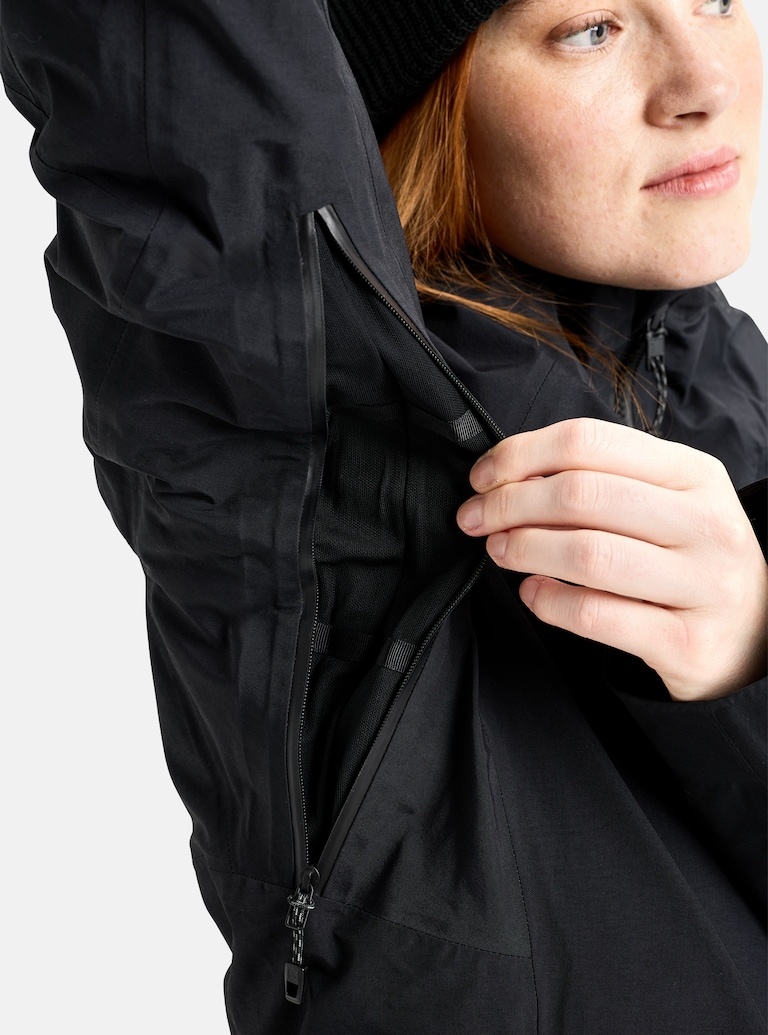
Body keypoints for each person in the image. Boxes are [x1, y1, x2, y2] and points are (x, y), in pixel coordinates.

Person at [1, 1, 765, 1033]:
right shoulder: (318, 434)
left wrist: (752, 648)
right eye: (590, 28)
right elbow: (192, 102)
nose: (706, 82)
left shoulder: (719, 368)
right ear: (430, 101)